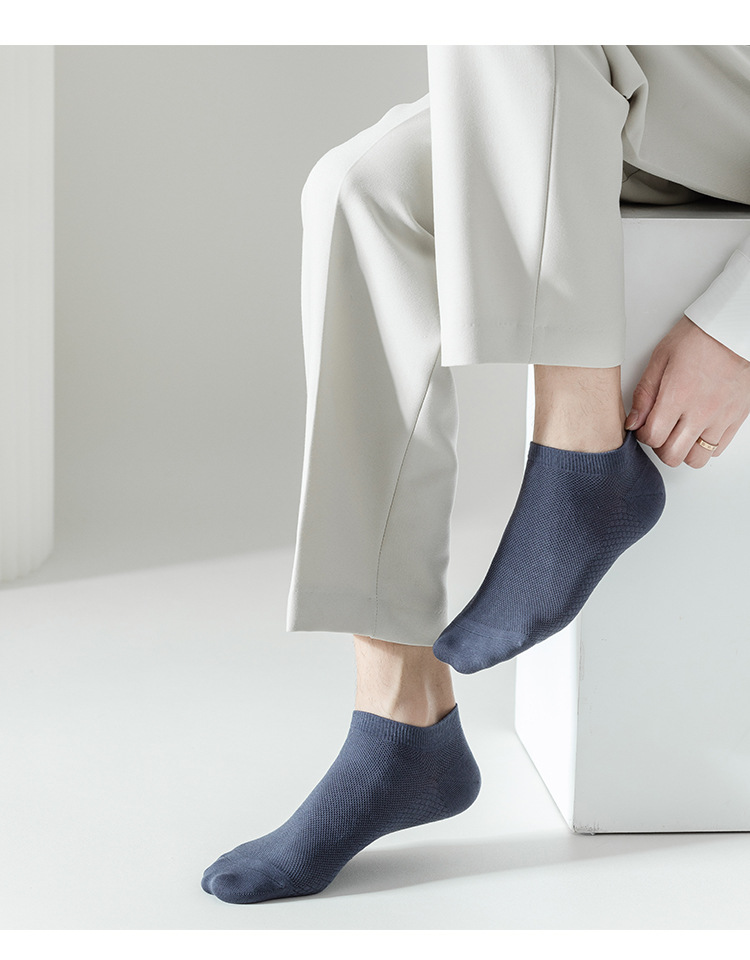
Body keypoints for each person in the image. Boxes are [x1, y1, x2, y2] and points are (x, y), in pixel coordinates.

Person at [201, 45, 750, 904]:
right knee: (363, 192)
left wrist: (737, 321)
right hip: (670, 86)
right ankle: (400, 716)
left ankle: (580, 454)